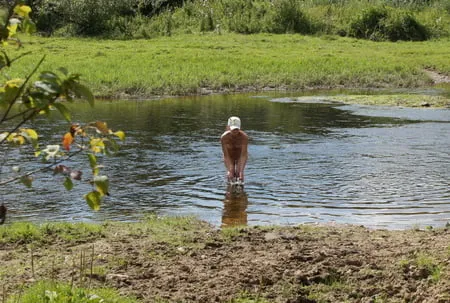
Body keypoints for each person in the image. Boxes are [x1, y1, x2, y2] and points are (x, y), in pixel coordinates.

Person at [221, 116, 248, 183]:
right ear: (228, 127)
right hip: (229, 157)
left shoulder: (244, 137)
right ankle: (230, 191)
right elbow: (226, 155)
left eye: (237, 129)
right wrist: (230, 169)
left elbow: (243, 155)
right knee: (230, 174)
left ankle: (241, 191)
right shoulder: (224, 138)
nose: (235, 131)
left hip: (240, 157)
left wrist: (241, 171)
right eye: (233, 129)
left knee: (239, 175)